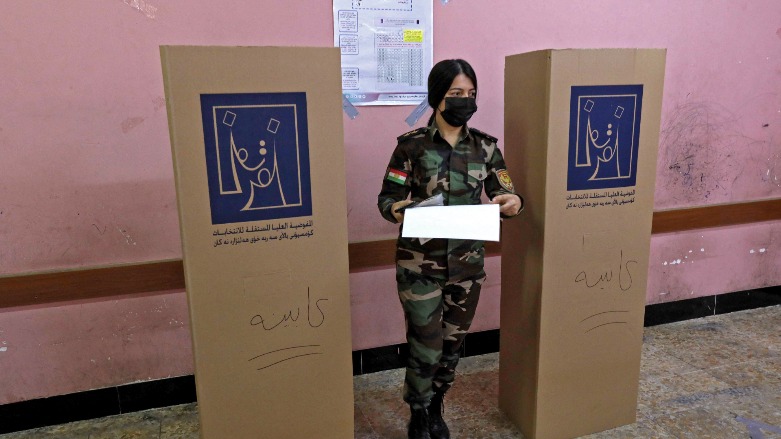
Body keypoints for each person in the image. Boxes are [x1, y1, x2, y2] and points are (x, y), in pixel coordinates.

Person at [377, 59, 523, 439]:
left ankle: (438, 402)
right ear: (437, 97)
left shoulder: (486, 147)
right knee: (425, 343)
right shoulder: (410, 147)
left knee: (452, 345)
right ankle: (419, 411)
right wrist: (403, 209)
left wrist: (512, 203)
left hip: (467, 265)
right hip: (419, 266)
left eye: (470, 94)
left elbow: (505, 192)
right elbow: (387, 200)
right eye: (456, 94)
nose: (464, 101)